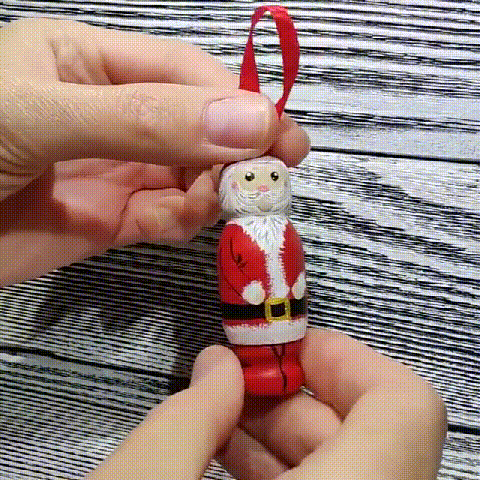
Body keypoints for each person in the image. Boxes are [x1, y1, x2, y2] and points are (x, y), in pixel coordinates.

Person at [0, 19, 447, 479]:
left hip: (286, 308)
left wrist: (293, 285)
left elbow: (293, 264)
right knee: (259, 352)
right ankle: (264, 371)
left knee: (288, 349)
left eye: (271, 178)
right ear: (233, 185)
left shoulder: (282, 229)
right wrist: (249, 292)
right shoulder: (235, 235)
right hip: (250, 311)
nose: (262, 186)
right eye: (250, 178)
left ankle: (285, 369)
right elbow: (233, 272)